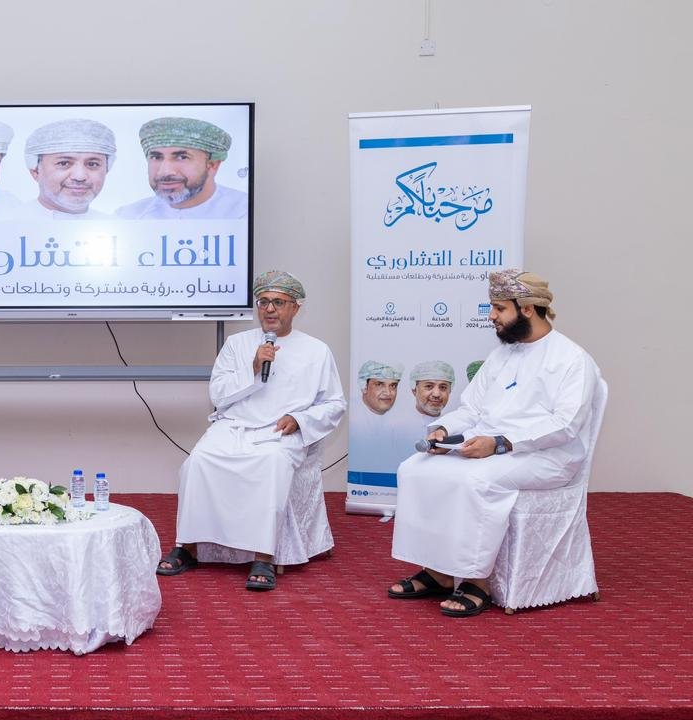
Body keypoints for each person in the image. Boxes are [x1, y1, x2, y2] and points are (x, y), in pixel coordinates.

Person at [389, 270, 602, 617]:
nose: (491, 316)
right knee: (414, 468)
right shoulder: (502, 355)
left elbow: (566, 425)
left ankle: (477, 581)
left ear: (528, 309)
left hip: (548, 456)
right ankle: (439, 572)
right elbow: (472, 409)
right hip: (492, 446)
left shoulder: (572, 359)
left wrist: (501, 443)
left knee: (476, 479)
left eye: (500, 308)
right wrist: (442, 429)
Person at [157, 271, 346, 590]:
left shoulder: (317, 350)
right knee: (197, 462)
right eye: (263, 302)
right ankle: (187, 547)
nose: (269, 309)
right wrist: (253, 368)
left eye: (278, 302)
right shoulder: (237, 344)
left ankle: (264, 556)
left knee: (271, 464)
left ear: (295, 308)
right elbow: (218, 394)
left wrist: (300, 419)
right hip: (234, 426)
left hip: (280, 432)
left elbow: (334, 403)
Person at [116, 117, 248, 219]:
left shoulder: (245, 212)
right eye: (156, 157)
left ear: (213, 165)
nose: (165, 172)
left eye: (182, 157)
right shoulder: (128, 217)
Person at [9, 118, 116, 219]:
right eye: (64, 163)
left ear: (107, 169)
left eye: (92, 164)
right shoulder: (8, 223)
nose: (80, 176)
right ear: (36, 171)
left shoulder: (117, 225)